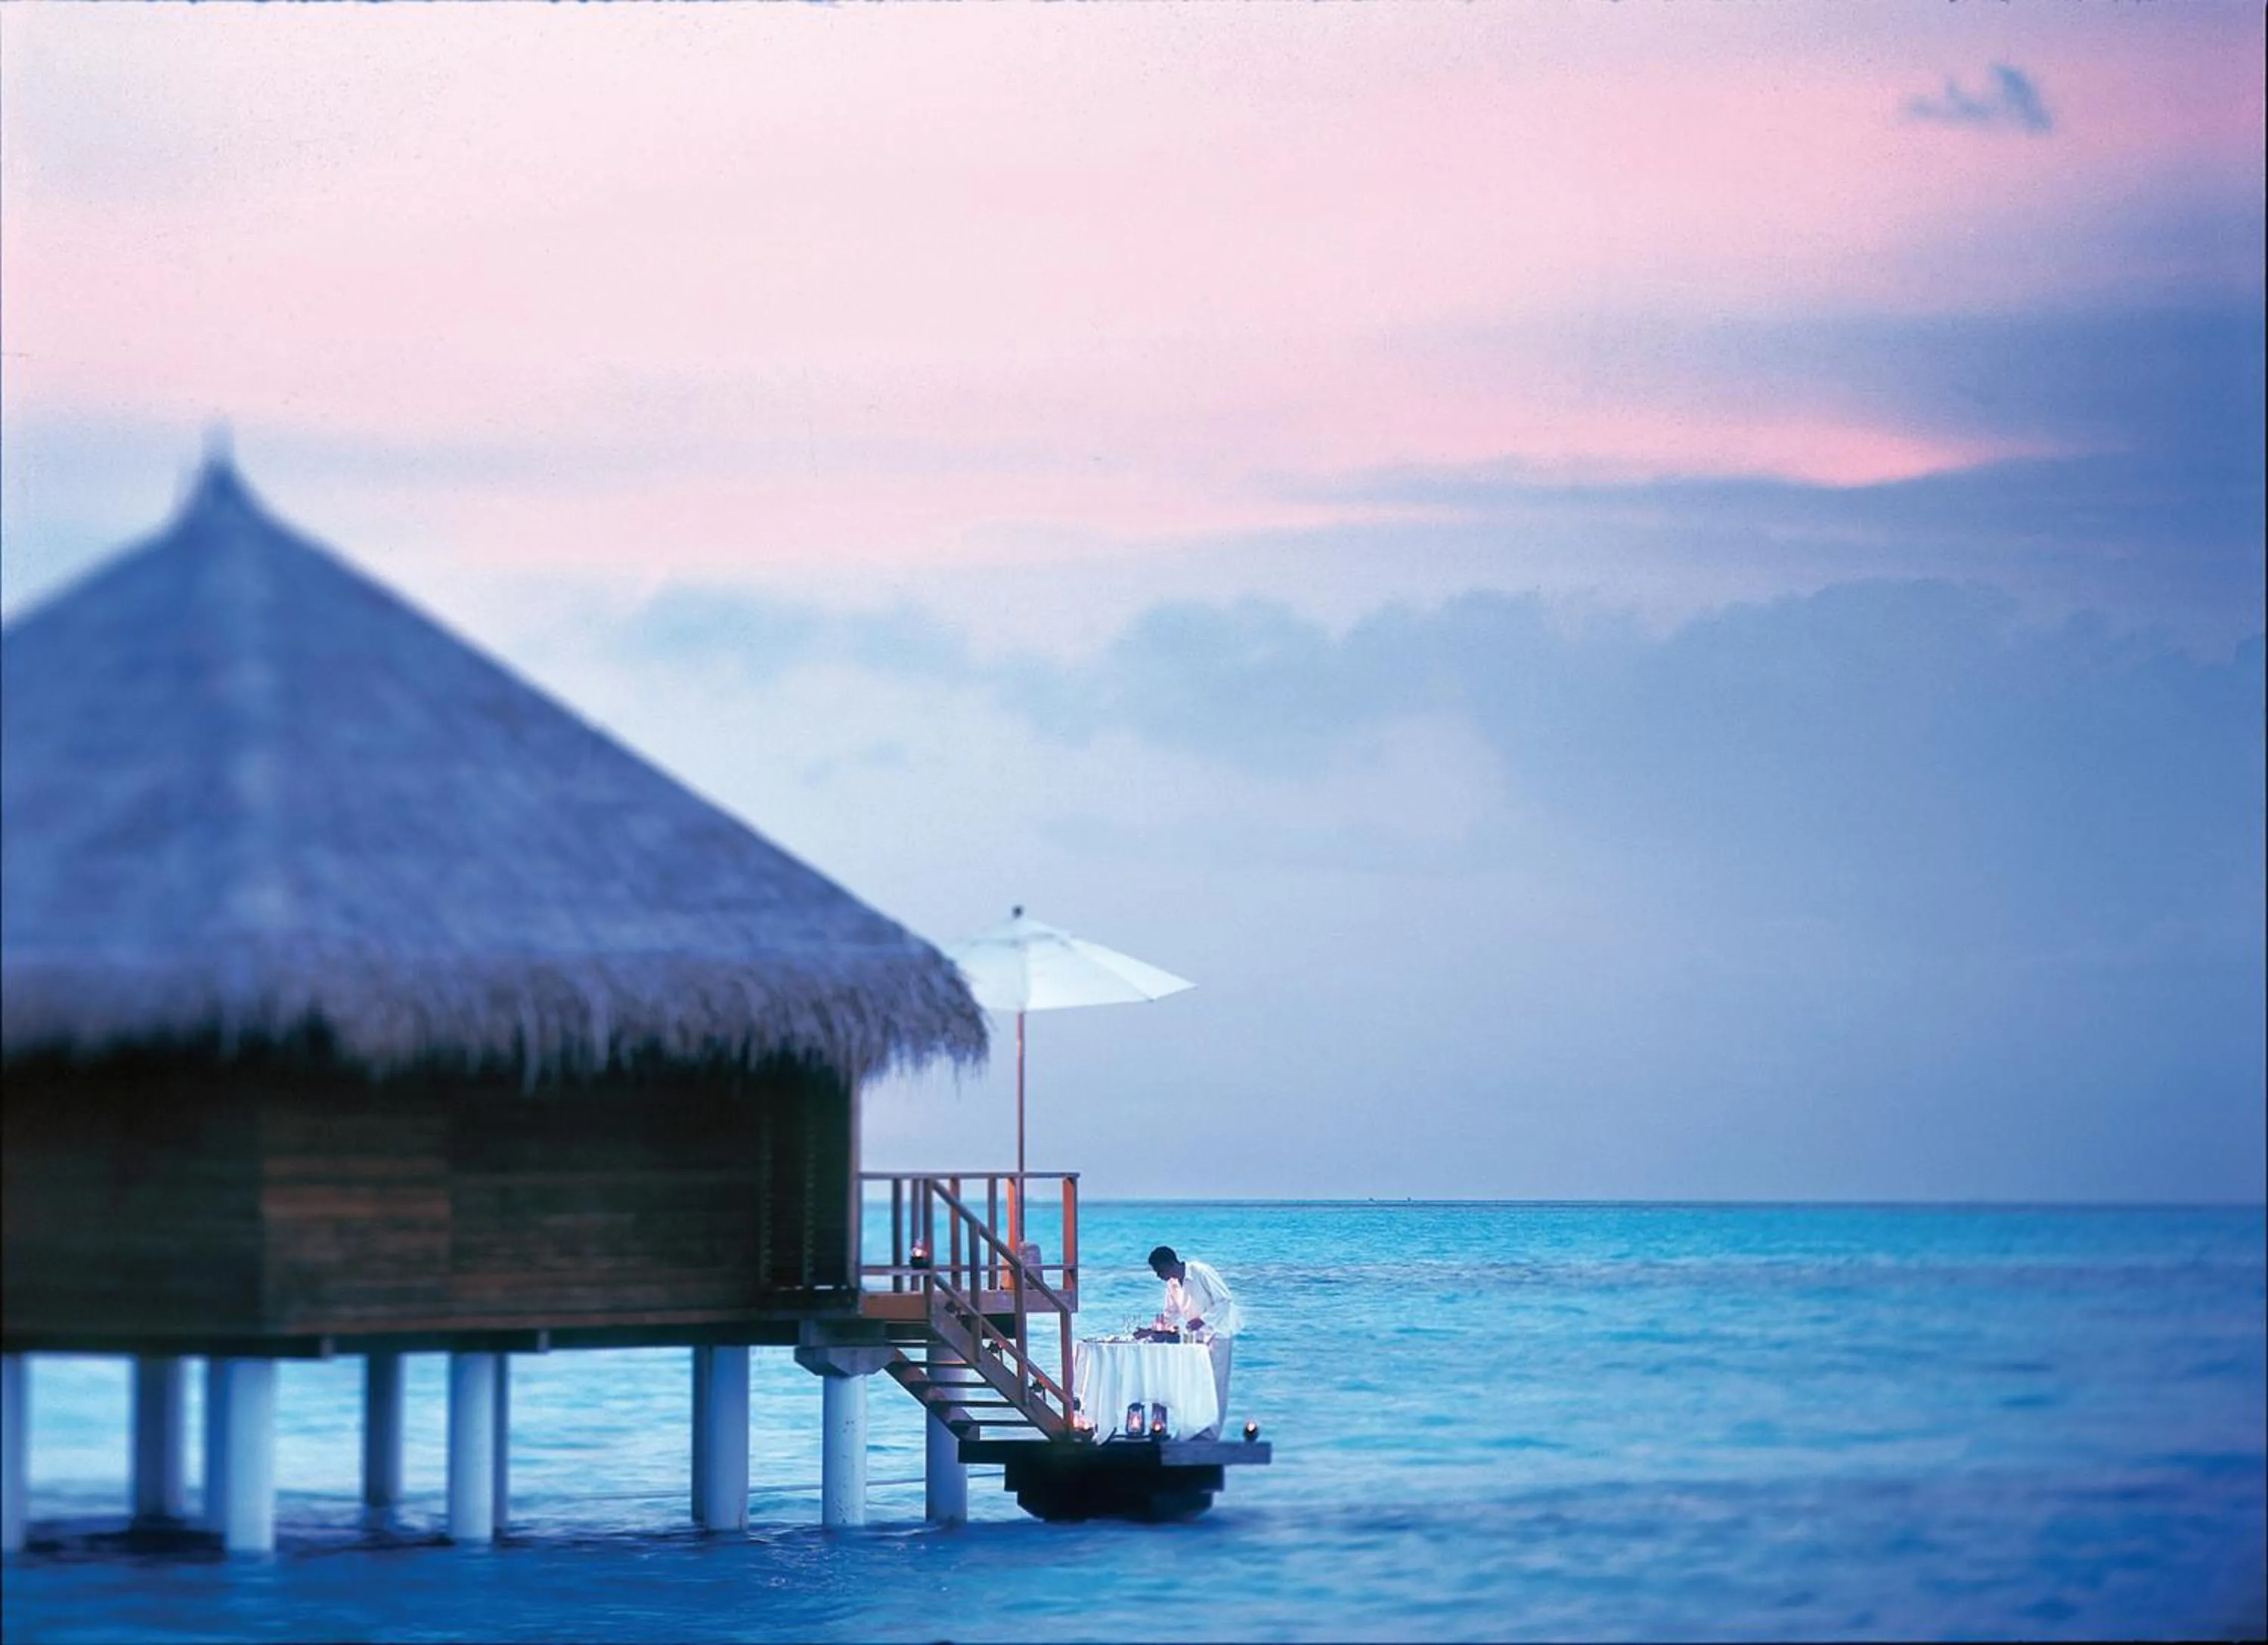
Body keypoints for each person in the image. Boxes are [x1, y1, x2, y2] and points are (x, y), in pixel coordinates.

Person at [1148, 1244, 1241, 1438]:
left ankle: (1212, 1433)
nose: (1159, 1276)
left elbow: (1225, 1300)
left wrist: (1203, 1319)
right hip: (1198, 1338)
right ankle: (1196, 1427)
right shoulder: (1172, 1284)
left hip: (1219, 1332)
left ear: (1170, 1264)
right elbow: (1170, 1313)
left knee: (1216, 1384)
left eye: (1160, 1271)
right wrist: (1152, 1331)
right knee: (1197, 1383)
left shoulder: (1201, 1272)